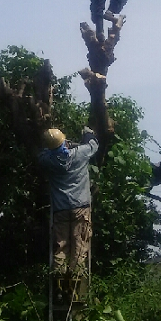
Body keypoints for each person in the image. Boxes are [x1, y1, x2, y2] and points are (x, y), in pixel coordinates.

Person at [39, 126, 98, 300]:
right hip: (81, 208)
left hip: (60, 210)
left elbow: (41, 155)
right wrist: (87, 133)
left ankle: (58, 288)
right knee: (79, 248)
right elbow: (93, 144)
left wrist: (56, 147)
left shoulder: (47, 160)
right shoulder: (80, 154)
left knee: (61, 247)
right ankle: (74, 289)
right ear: (64, 141)